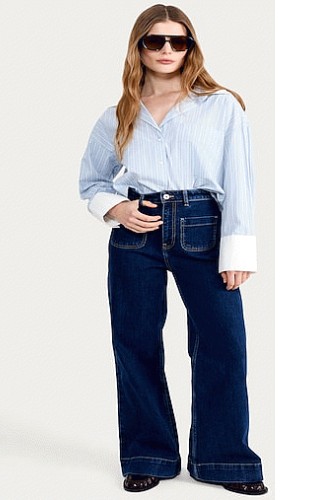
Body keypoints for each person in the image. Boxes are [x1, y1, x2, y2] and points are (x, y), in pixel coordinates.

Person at [79, 4, 268, 496]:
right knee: (135, 342)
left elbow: (239, 180)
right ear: (138, 47)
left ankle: (224, 460)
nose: (167, 50)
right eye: (155, 41)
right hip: (135, 233)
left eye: (177, 41)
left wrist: (238, 252)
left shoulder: (220, 105)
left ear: (190, 47)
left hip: (203, 225)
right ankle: (148, 456)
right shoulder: (118, 114)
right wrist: (117, 208)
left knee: (223, 343)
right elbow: (92, 182)